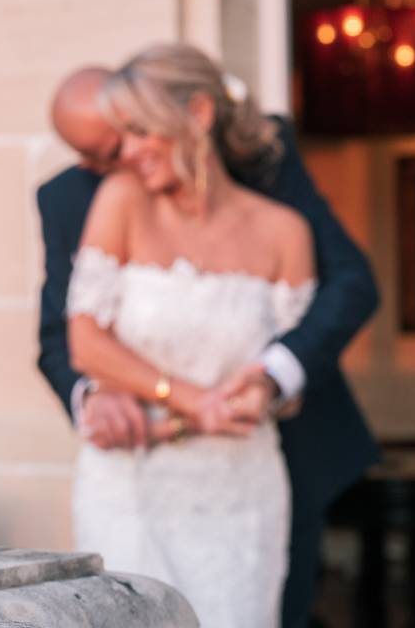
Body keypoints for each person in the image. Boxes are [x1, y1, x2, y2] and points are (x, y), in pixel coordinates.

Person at [36, 45, 379, 628]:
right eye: (103, 151)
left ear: (196, 114)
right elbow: (67, 336)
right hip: (134, 478)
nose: (120, 161)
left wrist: (269, 383)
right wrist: (100, 394)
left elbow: (349, 286)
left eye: (133, 135)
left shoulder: (274, 185)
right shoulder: (95, 196)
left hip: (253, 480)